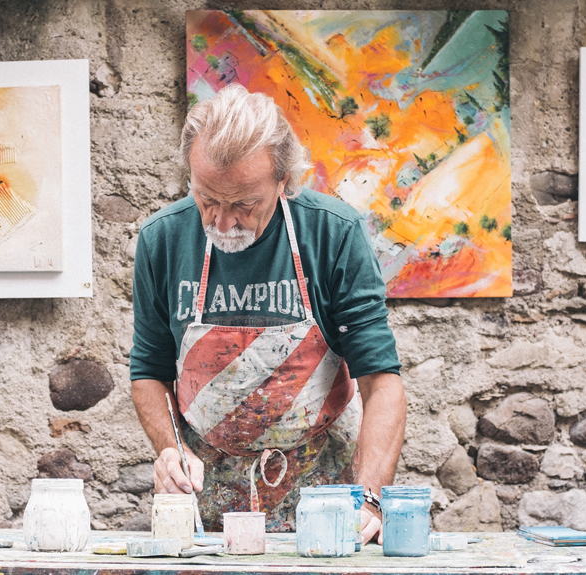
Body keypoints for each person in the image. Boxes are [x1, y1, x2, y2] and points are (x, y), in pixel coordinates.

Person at [129, 84, 405, 544]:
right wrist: (170, 450)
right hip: (208, 498)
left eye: (243, 204)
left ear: (283, 182)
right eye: (207, 199)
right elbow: (148, 373)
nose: (221, 223)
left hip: (329, 496)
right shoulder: (163, 240)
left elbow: (382, 383)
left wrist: (369, 498)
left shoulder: (333, 235)